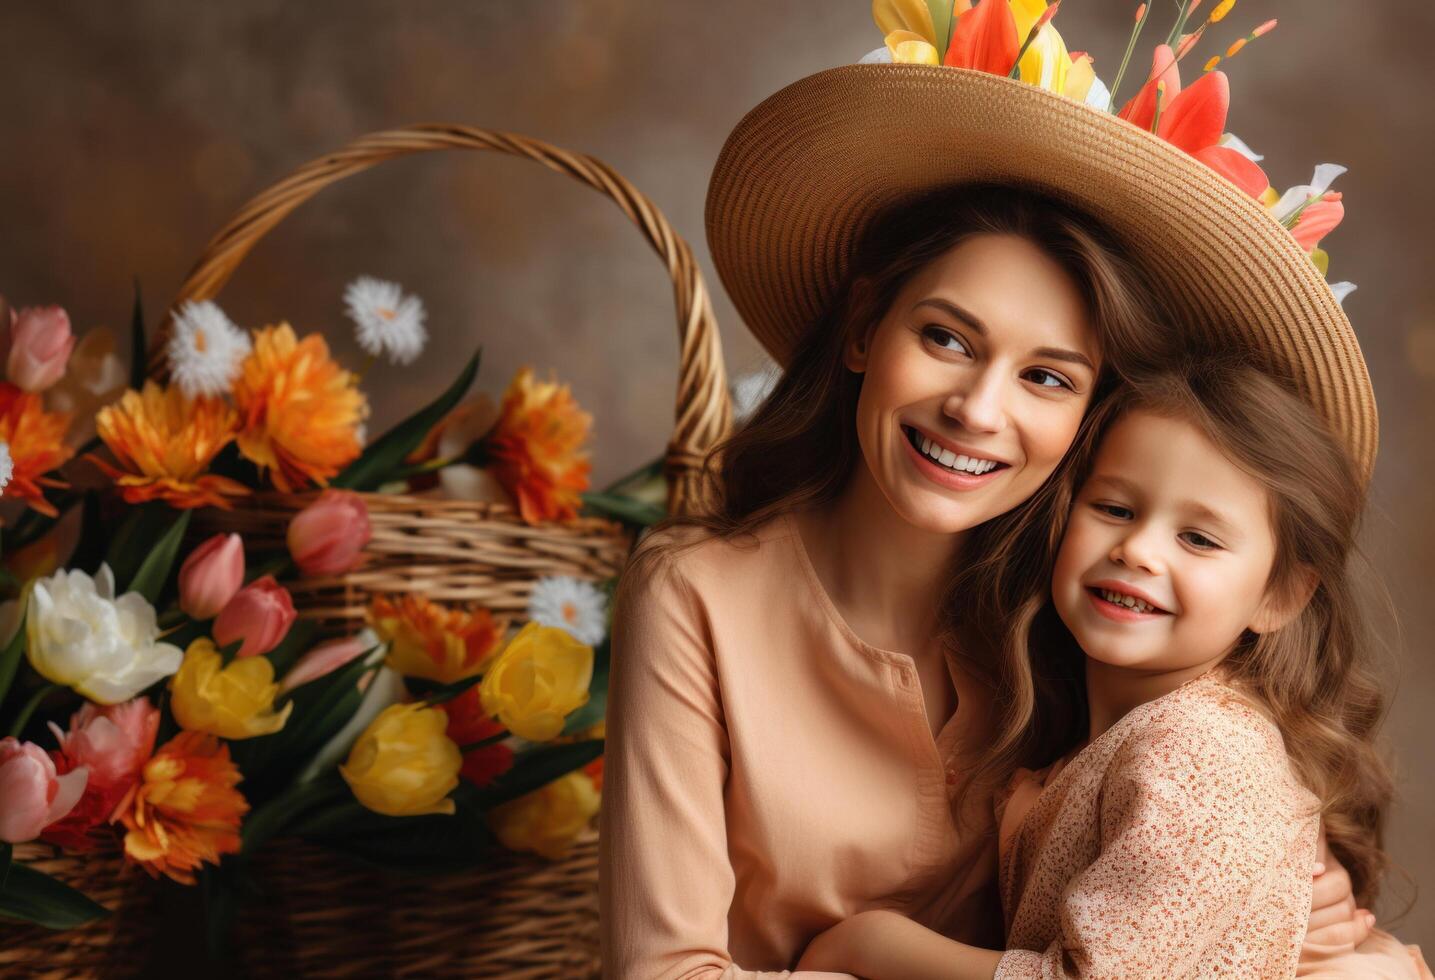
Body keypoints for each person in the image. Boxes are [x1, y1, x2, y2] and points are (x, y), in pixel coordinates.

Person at [600, 3, 1419, 975]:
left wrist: (1324, 926)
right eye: (944, 337)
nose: (977, 409)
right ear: (864, 328)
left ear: (1089, 418)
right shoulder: (699, 594)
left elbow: (1212, 899)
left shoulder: (1082, 612)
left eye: (1047, 376)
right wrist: (862, 955)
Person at [792, 357, 1423, 978]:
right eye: (1115, 509)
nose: (1138, 550)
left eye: (1199, 538)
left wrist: (874, 945)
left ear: (1278, 596)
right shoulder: (1113, 736)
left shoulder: (1199, 753)